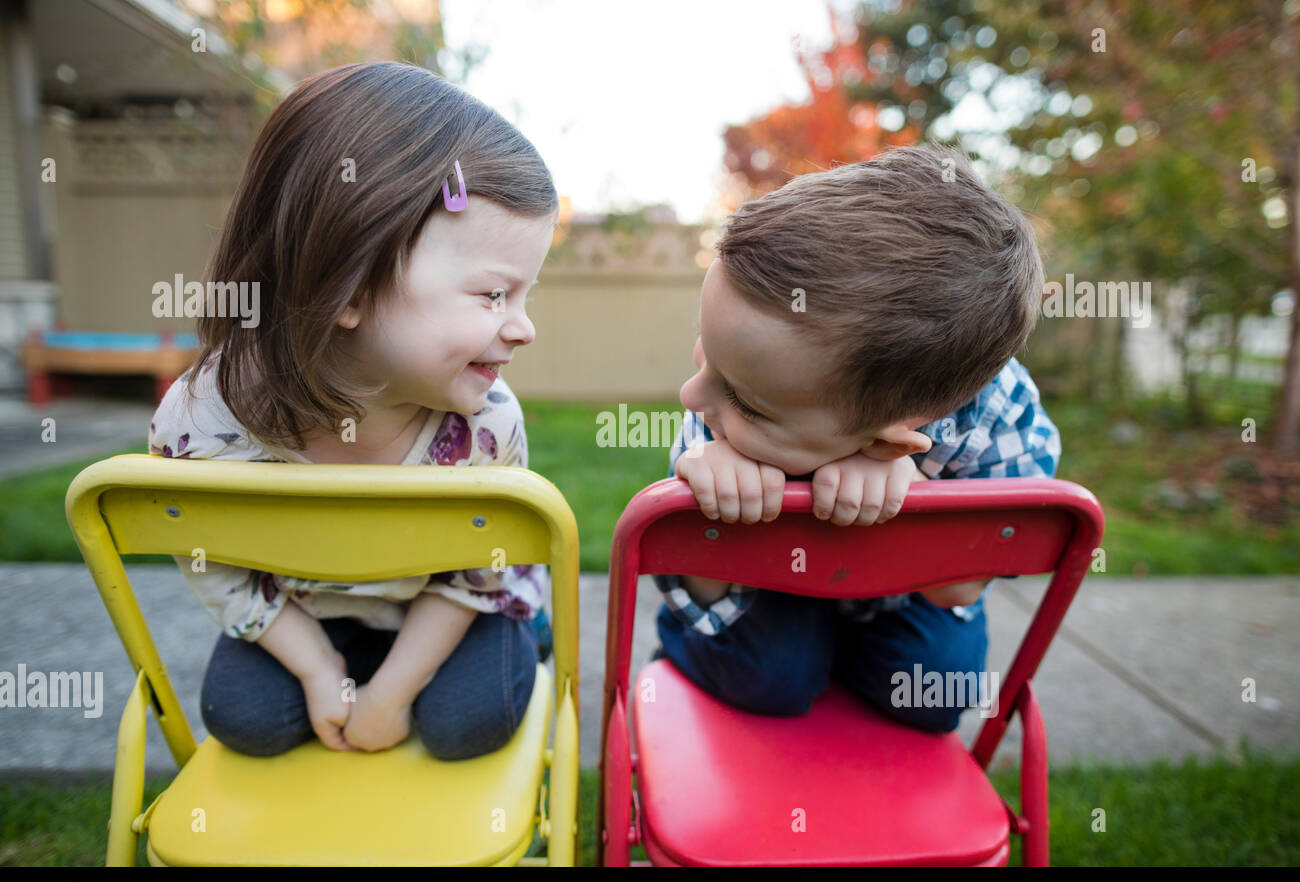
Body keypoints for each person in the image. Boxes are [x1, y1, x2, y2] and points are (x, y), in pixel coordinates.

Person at [148, 62, 556, 760]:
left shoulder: (486, 423)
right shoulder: (202, 420)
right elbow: (207, 555)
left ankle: (526, 631)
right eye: (494, 295)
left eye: (525, 296)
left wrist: (391, 694)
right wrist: (314, 668)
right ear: (348, 288)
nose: (523, 327)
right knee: (241, 717)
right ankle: (344, 659)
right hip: (309, 611)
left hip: (451, 605)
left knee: (467, 725)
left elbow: (473, 571)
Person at [653, 144, 1061, 733]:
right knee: (773, 680)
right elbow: (699, 577)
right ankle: (706, 652)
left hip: (913, 592)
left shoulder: (1001, 415)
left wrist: (915, 497)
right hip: (770, 578)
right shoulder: (731, 396)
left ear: (893, 439)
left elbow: (961, 588)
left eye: (742, 400)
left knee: (936, 694)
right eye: (704, 354)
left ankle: (840, 653)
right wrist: (714, 510)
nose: (693, 397)